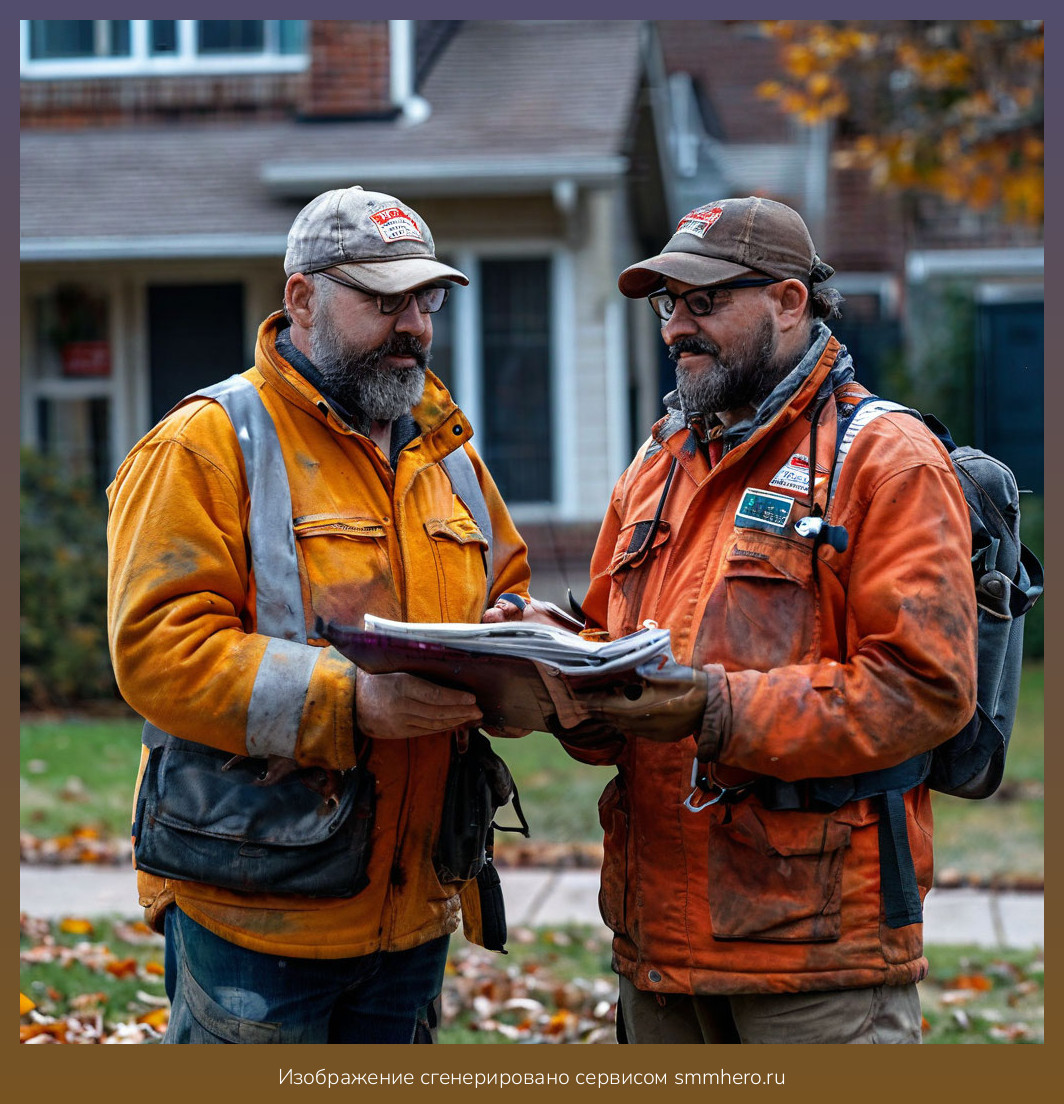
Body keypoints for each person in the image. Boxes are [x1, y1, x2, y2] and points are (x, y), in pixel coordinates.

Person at [106, 185, 535, 1044]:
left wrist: (527, 644)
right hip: (255, 913)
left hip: (413, 907)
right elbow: (156, 651)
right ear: (300, 299)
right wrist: (352, 703)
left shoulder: (442, 452)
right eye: (383, 299)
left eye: (427, 299)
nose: (414, 322)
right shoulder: (208, 442)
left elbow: (505, 586)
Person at [552, 196, 978, 1044]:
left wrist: (715, 709)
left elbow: (926, 688)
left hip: (815, 964)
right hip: (655, 954)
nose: (676, 326)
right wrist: (549, 668)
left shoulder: (887, 459)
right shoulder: (657, 465)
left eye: (704, 301)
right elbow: (613, 679)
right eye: (667, 303)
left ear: (790, 302)